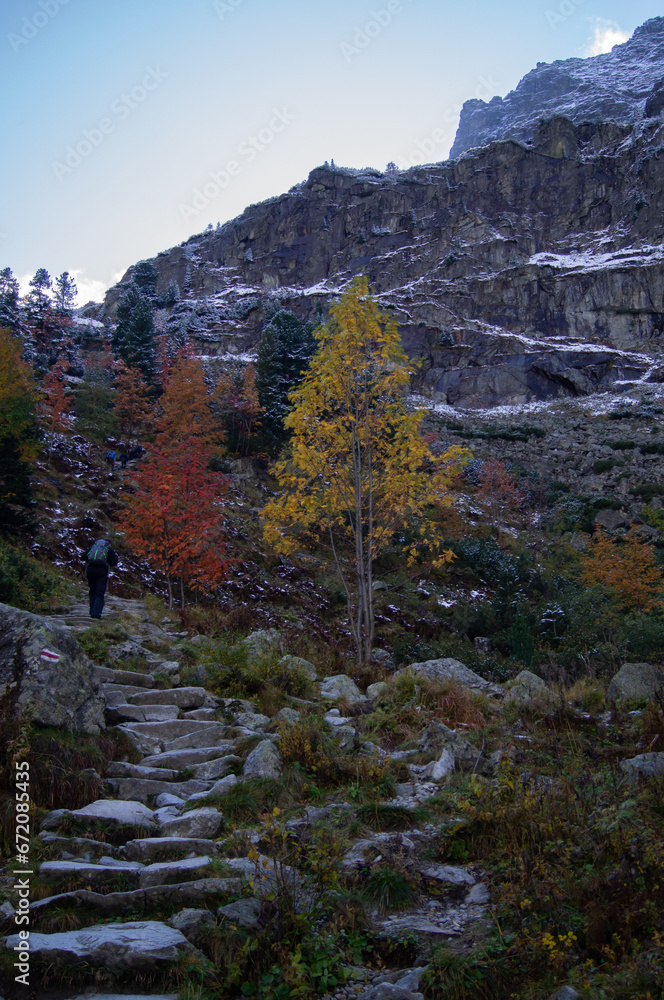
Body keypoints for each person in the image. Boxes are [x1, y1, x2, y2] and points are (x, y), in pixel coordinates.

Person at [81, 538, 119, 619]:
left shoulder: (93, 547)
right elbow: (114, 562)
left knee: (92, 591)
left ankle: (91, 612)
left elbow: (83, 556)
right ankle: (96, 614)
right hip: (102, 572)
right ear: (109, 544)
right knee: (100, 593)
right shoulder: (108, 549)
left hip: (90, 571)